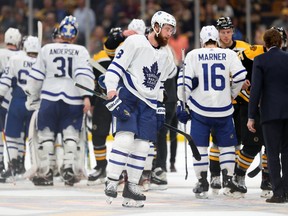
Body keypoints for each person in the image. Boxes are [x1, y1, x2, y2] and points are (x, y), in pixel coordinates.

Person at [103, 11, 177, 207]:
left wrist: (160, 105)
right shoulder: (135, 42)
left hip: (149, 104)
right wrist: (111, 91)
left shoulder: (165, 54)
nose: (170, 34)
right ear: (156, 27)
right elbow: (116, 67)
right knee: (125, 138)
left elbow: (160, 82)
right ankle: (111, 180)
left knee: (144, 146)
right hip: (129, 96)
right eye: (168, 29)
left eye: (172, 30)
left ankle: (132, 186)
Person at [177, 25, 247, 199]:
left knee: (200, 146)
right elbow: (240, 76)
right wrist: (231, 93)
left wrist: (183, 103)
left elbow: (183, 84)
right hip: (224, 109)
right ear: (217, 38)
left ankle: (202, 181)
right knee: (227, 147)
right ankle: (228, 180)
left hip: (200, 110)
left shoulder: (193, 54)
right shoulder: (229, 54)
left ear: (201, 40)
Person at [25, 15, 94, 186]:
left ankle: (47, 172)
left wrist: (32, 96)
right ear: (75, 35)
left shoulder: (47, 49)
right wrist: (86, 97)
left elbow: (36, 77)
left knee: (46, 136)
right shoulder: (81, 50)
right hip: (73, 99)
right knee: (71, 136)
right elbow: (83, 75)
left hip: (49, 97)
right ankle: (69, 169)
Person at [87, 18, 146, 186]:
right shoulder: (112, 51)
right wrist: (91, 100)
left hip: (129, 99)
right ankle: (101, 166)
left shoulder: (146, 52)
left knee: (127, 137)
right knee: (99, 133)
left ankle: (129, 170)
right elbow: (110, 47)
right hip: (106, 98)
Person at [208, 16, 251, 194]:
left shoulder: (244, 47)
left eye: (228, 32)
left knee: (238, 142)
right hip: (220, 102)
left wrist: (250, 81)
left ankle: (234, 177)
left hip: (242, 102)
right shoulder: (212, 50)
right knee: (218, 141)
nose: (226, 36)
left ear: (232, 31)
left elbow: (253, 70)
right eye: (222, 32)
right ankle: (215, 175)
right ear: (217, 33)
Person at [247, 28, 288, 203]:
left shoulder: (260, 60)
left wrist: (251, 116)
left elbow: (255, 90)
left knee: (272, 154)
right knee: (287, 153)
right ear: (280, 42)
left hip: (270, 113)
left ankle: (278, 192)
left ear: (265, 43)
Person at [0, 36, 40, 182]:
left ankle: (13, 166)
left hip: (17, 100)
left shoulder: (16, 59)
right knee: (34, 138)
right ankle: (37, 168)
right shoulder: (41, 61)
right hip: (35, 103)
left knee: (11, 135)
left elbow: (5, 81)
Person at [0, 27, 22, 179]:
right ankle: (18, 163)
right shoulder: (22, 55)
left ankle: (1, 162)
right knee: (18, 133)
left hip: (2, 96)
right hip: (16, 98)